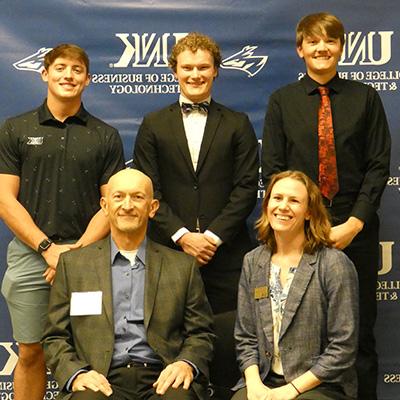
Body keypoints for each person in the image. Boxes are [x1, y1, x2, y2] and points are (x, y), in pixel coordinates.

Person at [261, 13, 391, 400]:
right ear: (300, 49)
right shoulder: (281, 101)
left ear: (340, 47)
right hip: (298, 232)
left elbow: (378, 166)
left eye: (330, 41)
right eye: (313, 42)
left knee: (359, 331)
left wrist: (354, 223)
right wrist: (302, 225)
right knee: (299, 331)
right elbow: (275, 172)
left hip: (356, 230)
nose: (322, 49)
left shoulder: (365, 97)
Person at [133, 32, 259, 398]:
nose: (195, 74)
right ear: (174, 70)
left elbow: (246, 188)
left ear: (216, 71)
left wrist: (212, 238)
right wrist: (183, 237)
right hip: (169, 254)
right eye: (187, 67)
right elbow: (149, 190)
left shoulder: (237, 123)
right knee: (169, 340)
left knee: (229, 343)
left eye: (203, 67)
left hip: (228, 254)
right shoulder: (153, 123)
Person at [0, 44, 125, 400]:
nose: (68, 75)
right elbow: (4, 198)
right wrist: (47, 248)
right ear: (45, 74)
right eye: (60, 68)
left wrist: (73, 254)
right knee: (30, 352)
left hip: (89, 259)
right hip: (30, 258)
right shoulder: (15, 129)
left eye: (76, 70)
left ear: (88, 79)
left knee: (92, 354)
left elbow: (112, 203)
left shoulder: (105, 135)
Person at [42, 168, 215, 400]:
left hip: (162, 377)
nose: (127, 205)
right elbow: (55, 337)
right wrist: (77, 374)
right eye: (118, 196)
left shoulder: (182, 266)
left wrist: (185, 363)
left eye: (137, 197)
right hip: (99, 377)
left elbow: (201, 333)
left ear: (152, 207)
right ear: (104, 206)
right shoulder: (73, 266)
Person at [232, 170, 359, 400]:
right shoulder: (253, 261)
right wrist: (254, 385)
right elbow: (245, 336)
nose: (283, 207)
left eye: (294, 201)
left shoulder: (333, 263)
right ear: (267, 204)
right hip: (263, 379)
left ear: (309, 212)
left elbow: (343, 347)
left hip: (320, 385)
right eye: (277, 198)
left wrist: (291, 391)